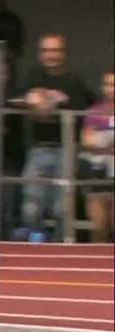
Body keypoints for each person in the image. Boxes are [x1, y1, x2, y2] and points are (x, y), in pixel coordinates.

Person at [19, 34, 92, 242]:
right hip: (39, 147)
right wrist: (41, 105)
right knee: (31, 207)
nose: (51, 55)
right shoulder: (33, 76)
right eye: (46, 51)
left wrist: (45, 105)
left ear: (64, 54)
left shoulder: (74, 81)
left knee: (62, 208)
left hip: (66, 148)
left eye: (55, 51)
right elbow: (26, 102)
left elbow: (78, 113)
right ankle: (36, 247)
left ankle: (60, 249)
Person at [79, 71, 113, 243]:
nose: (111, 89)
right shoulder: (94, 112)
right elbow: (87, 140)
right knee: (99, 226)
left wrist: (101, 139)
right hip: (97, 173)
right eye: (107, 84)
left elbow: (95, 140)